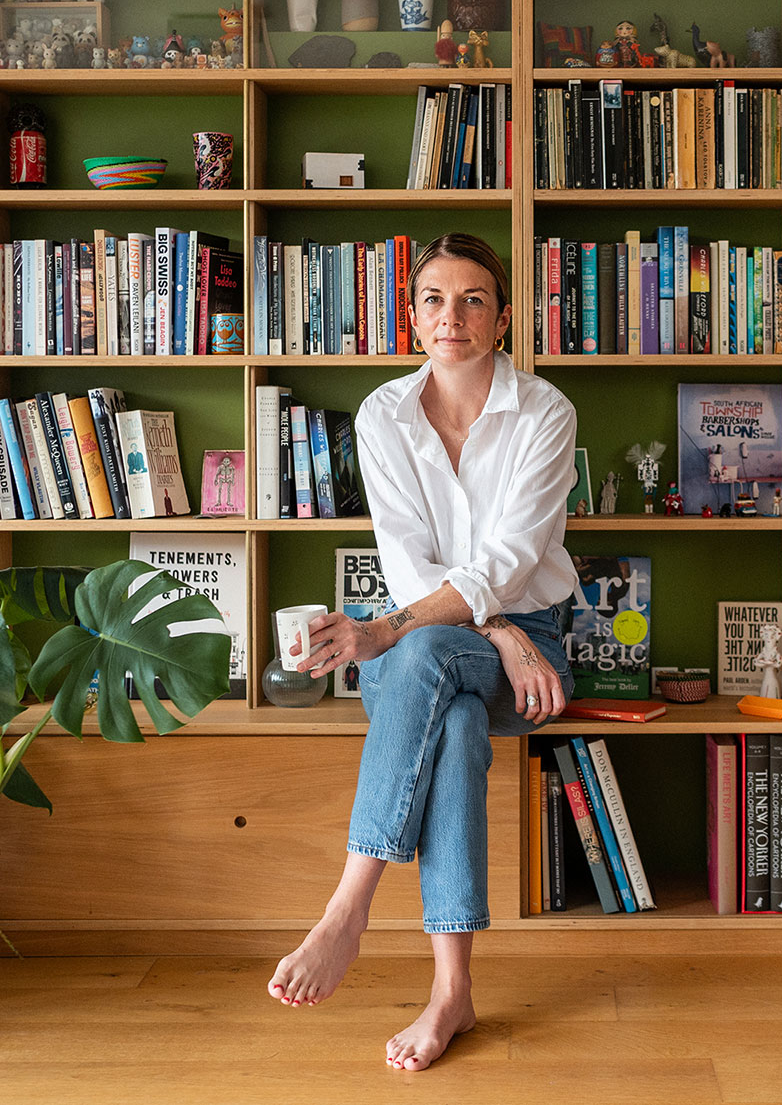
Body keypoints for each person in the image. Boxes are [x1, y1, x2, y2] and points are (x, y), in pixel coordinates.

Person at [266, 232, 578, 1071]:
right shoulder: (383, 415)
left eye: (474, 299)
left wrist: (508, 630)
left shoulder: (546, 413)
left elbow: (509, 561)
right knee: (455, 721)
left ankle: (347, 909)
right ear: (412, 316)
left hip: (530, 648)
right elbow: (406, 564)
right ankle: (453, 994)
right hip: (437, 649)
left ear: (503, 318)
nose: (454, 317)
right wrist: (493, 630)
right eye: (435, 299)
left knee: (423, 657)